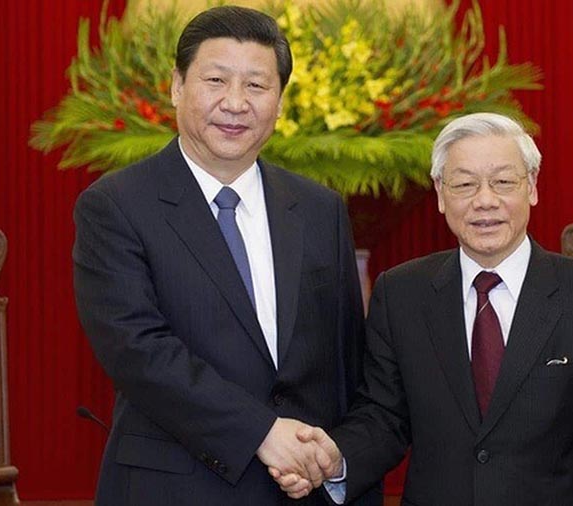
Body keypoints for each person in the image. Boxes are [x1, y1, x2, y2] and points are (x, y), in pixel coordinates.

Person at [73, 6, 379, 505]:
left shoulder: (319, 209)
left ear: (280, 101)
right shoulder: (116, 205)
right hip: (174, 488)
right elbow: (138, 351)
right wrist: (262, 432)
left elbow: (346, 363)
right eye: (215, 80)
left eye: (256, 85)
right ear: (177, 86)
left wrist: (335, 458)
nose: (235, 103)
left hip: (303, 488)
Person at [275, 112, 573, 505]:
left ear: (532, 186)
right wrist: (336, 459)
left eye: (503, 182)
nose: (484, 200)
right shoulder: (401, 293)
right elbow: (384, 418)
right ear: (440, 193)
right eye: (465, 184)